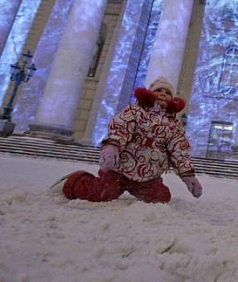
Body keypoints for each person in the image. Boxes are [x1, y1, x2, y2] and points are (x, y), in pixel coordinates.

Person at [51, 77, 203, 203]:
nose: (163, 94)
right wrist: (112, 147)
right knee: (102, 193)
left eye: (167, 92)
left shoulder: (174, 125)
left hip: (148, 175)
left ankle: (140, 189)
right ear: (149, 93)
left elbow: (179, 150)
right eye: (158, 90)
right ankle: (74, 181)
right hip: (120, 169)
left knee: (161, 198)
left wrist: (188, 176)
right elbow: (120, 127)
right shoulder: (135, 111)